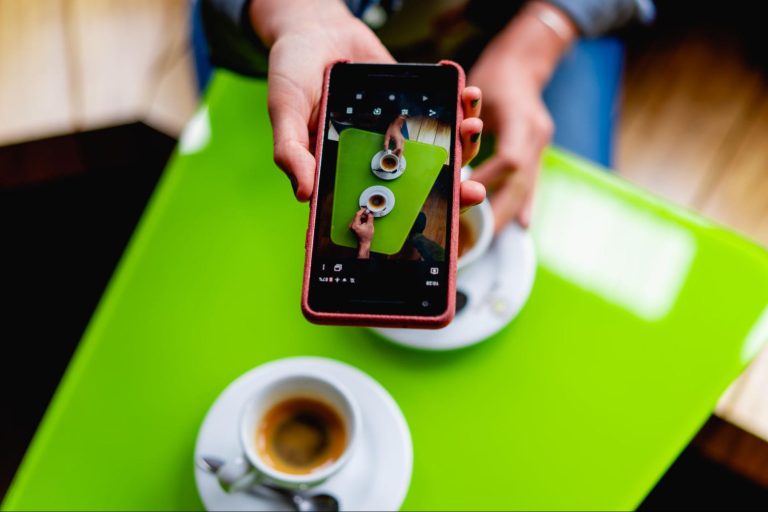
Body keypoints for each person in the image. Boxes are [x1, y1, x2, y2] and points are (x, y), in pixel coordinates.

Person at [202, 0, 653, 231]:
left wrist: (537, 41)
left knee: (574, 208)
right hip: (280, 23)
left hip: (527, 18)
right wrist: (298, 16)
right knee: (246, 199)